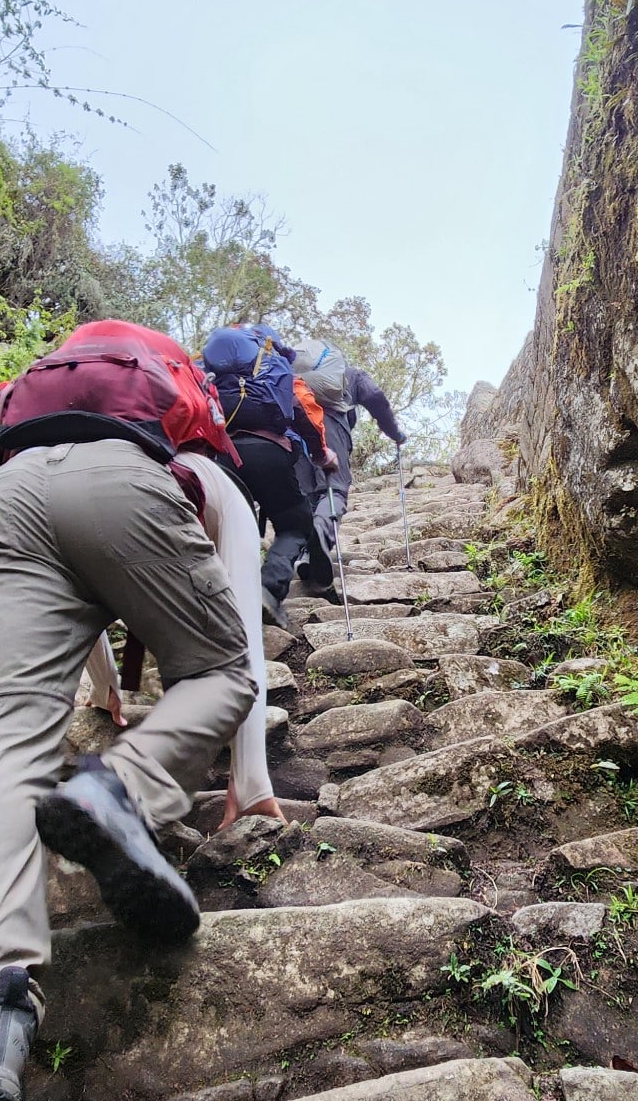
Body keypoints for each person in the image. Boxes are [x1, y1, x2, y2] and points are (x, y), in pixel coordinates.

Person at [0, 320, 256, 1101]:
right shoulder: (183, 415)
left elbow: (80, 633)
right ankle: (119, 790)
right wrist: (242, 778)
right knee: (217, 669)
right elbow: (234, 648)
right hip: (125, 486)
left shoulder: (48, 388)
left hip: (10, 492)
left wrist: (105, 697)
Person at [84, 445, 283, 827]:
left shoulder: (42, 457)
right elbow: (244, 645)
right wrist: (253, 781)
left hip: (47, 501)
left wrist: (104, 687)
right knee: (235, 635)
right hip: (193, 490)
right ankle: (250, 788)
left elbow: (78, 612)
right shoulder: (198, 468)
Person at [202, 323, 336, 625]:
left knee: (232, 529)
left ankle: (220, 602)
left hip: (219, 457)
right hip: (270, 453)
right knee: (294, 523)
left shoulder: (210, 368)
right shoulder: (276, 368)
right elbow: (303, 410)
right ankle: (268, 588)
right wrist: (321, 453)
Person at [292, 343, 406, 588]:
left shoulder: (296, 377)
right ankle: (322, 531)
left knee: (305, 495)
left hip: (296, 434)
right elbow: (376, 398)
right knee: (334, 489)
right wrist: (395, 434)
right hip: (331, 430)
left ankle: (305, 553)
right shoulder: (351, 375)